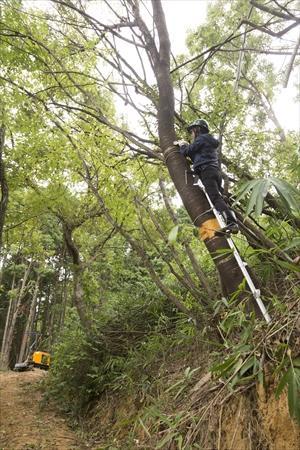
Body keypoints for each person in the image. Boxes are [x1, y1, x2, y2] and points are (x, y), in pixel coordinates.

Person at [176, 118, 238, 234]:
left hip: (207, 171)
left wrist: (183, 145)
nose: (192, 134)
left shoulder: (201, 139)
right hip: (214, 171)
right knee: (218, 198)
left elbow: (187, 152)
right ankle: (228, 223)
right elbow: (195, 154)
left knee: (215, 198)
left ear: (197, 130)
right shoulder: (207, 141)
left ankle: (232, 223)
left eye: (192, 131)